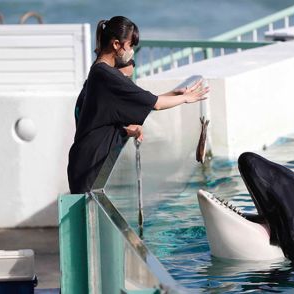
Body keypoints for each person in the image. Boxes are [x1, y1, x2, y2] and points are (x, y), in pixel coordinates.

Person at [67, 16, 209, 194]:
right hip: (90, 168)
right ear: (116, 44)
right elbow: (155, 104)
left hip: (89, 164)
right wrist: (185, 98)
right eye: (130, 45)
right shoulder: (106, 76)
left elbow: (103, 118)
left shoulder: (99, 72)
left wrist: (174, 94)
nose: (132, 51)